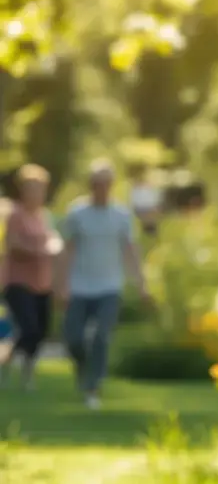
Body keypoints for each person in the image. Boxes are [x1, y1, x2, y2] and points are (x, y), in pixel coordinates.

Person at [58, 160, 150, 409]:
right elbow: (67, 250)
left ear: (112, 185)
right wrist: (61, 284)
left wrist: (141, 284)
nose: (101, 187)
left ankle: (93, 386)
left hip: (109, 286)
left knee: (101, 335)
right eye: (97, 183)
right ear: (91, 185)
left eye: (106, 183)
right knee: (74, 338)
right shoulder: (77, 213)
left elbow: (131, 251)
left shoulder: (121, 215)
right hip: (79, 285)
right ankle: (83, 369)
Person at [1, 164, 60, 390]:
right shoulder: (16, 215)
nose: (36, 193)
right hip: (17, 282)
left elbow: (53, 240)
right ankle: (7, 360)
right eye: (31, 188)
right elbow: (14, 245)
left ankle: (25, 371)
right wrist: (40, 250)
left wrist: (52, 248)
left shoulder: (43, 216)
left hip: (42, 283)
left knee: (40, 332)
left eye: (39, 189)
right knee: (29, 328)